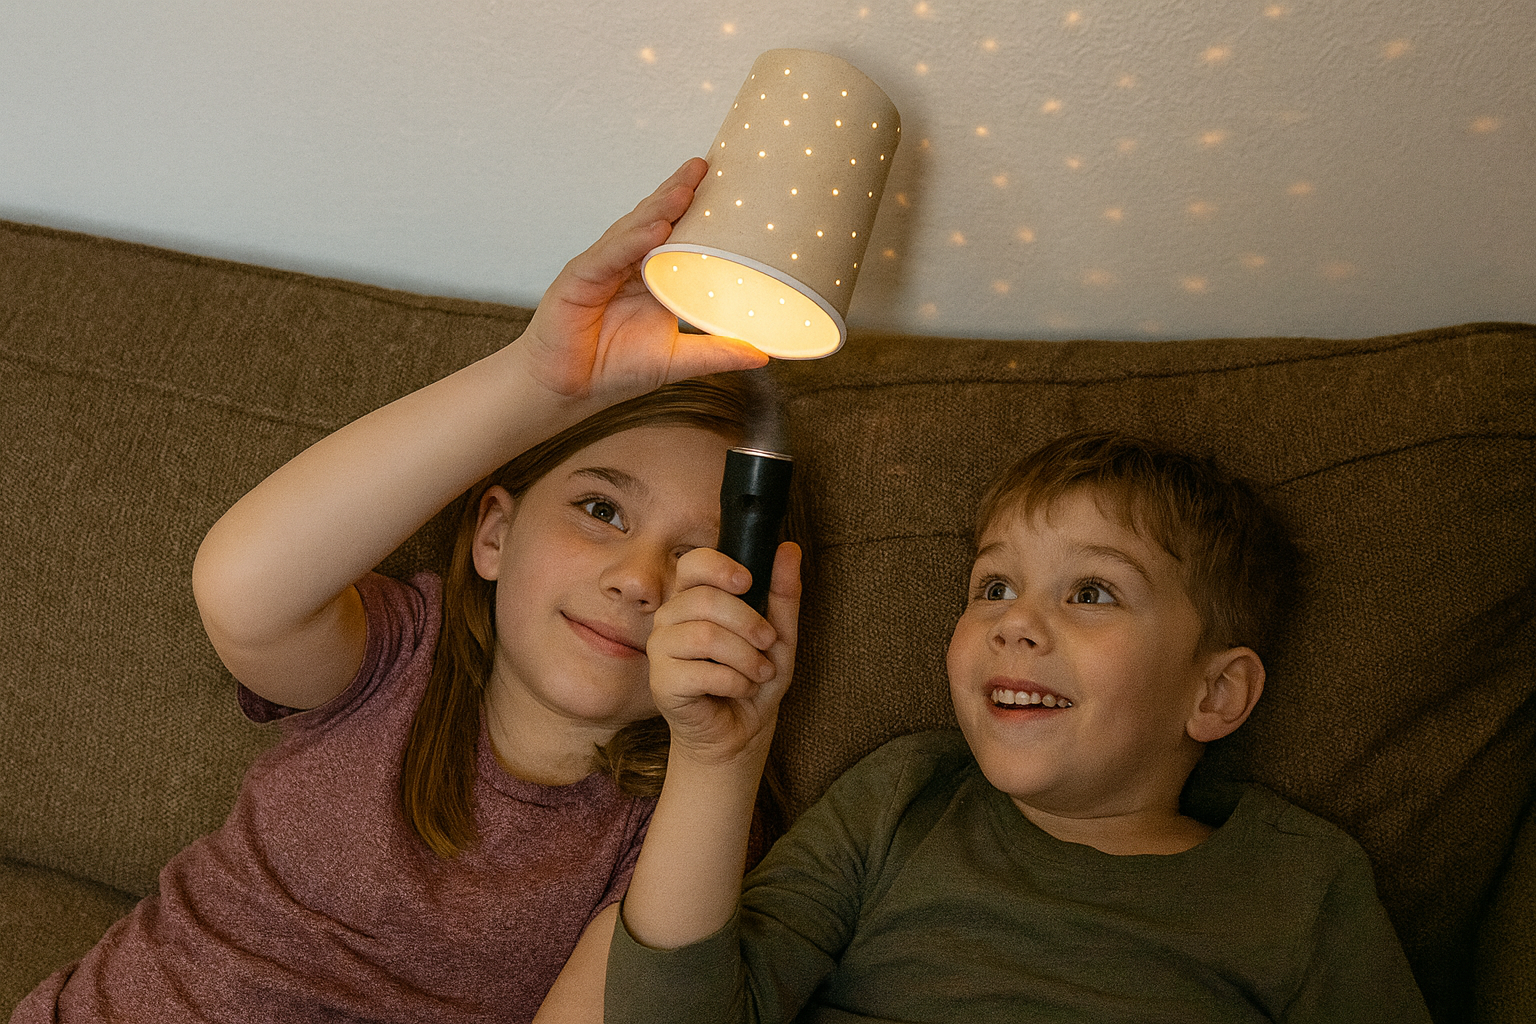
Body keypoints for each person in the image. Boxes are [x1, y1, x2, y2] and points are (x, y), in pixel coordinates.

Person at [12, 158, 801, 1024]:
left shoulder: (672, 828)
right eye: (601, 509)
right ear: (494, 533)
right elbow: (242, 588)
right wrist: (536, 381)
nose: (639, 580)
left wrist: (719, 757)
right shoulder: (402, 654)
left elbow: (653, 1003)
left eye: (699, 558)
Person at [609, 431, 1433, 1022]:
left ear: (1215, 694)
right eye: (994, 587)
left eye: (1092, 593)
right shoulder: (903, 798)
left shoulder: (1303, 885)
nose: (1016, 625)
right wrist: (718, 755)